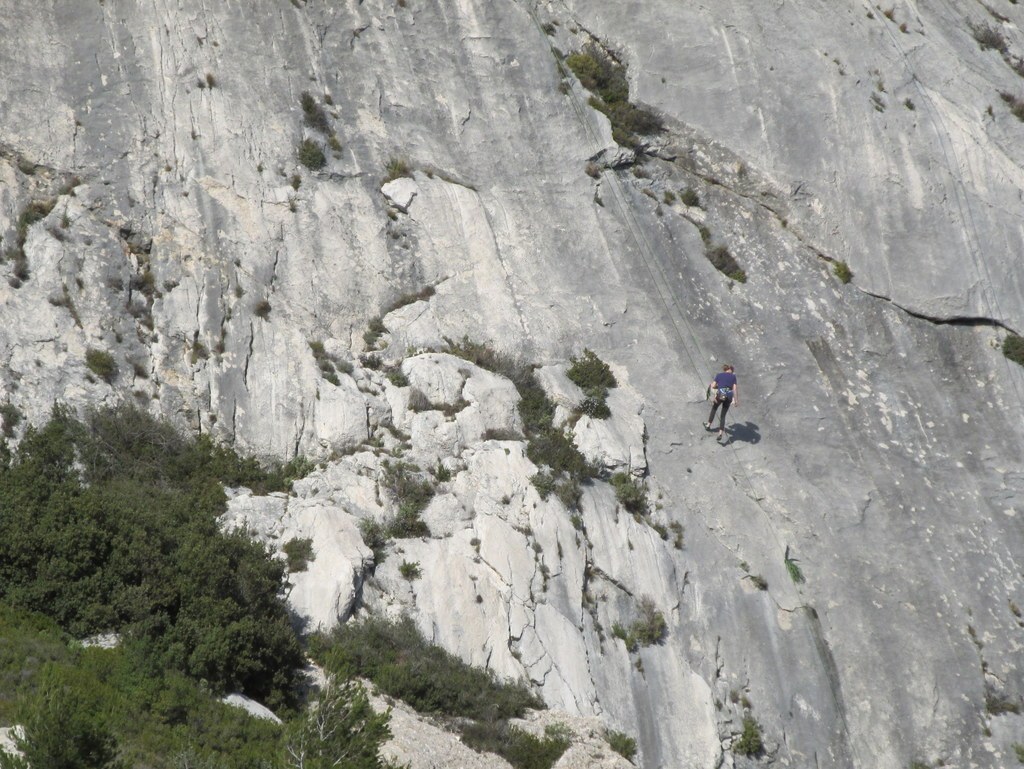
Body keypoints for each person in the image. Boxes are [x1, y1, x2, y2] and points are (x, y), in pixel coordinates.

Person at [704, 364, 738, 440]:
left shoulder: (719, 375)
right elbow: (734, 389)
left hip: (721, 394)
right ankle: (720, 433)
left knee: (714, 408)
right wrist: (736, 401)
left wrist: (718, 386)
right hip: (729, 396)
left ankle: (708, 425)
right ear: (731, 370)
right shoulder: (733, 377)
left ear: (725, 369)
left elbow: (713, 386)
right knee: (723, 415)